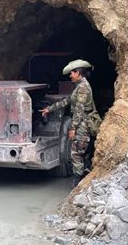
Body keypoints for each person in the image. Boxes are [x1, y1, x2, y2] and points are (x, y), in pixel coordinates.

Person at [39, 59, 96, 187]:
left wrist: (72, 127)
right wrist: (50, 109)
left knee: (76, 153)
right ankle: (81, 177)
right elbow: (67, 101)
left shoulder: (82, 88)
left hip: (83, 124)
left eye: (72, 73)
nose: (70, 76)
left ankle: (77, 183)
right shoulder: (79, 86)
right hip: (81, 123)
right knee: (78, 152)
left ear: (78, 73)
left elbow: (79, 110)